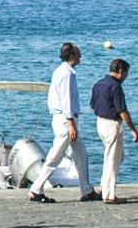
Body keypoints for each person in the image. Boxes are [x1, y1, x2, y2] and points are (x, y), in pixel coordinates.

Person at [30, 42, 98, 203]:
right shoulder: (67, 74)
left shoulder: (61, 72)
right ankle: (36, 188)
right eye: (78, 52)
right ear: (72, 55)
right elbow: (66, 100)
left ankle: (86, 189)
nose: (81, 55)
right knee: (55, 156)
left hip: (64, 119)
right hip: (66, 120)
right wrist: (71, 124)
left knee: (81, 155)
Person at [89, 58, 138, 204]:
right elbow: (122, 110)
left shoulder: (98, 84)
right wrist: (133, 130)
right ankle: (109, 195)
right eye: (126, 74)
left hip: (100, 122)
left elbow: (93, 105)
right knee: (112, 159)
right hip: (112, 124)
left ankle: (104, 186)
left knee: (117, 156)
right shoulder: (115, 86)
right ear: (120, 71)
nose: (125, 77)